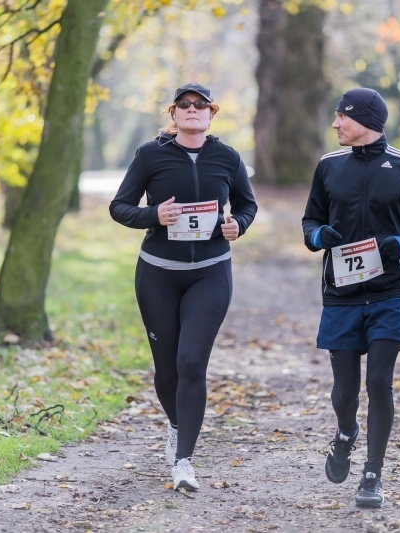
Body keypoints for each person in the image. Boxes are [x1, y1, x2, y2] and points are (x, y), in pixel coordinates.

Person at [301, 87, 400, 508]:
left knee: (379, 382)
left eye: (341, 117)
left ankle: (372, 476)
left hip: (389, 295)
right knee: (345, 393)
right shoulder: (329, 167)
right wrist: (316, 235)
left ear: (364, 120)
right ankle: (346, 431)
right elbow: (311, 217)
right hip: (341, 297)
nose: (335, 124)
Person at [110, 82, 258, 492]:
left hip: (210, 272)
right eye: (184, 105)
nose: (192, 110)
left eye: (200, 105)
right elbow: (119, 207)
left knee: (192, 362)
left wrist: (237, 226)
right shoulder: (150, 155)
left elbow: (246, 205)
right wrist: (154, 215)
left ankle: (184, 460)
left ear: (212, 114)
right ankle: (177, 422)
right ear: (172, 114)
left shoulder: (226, 157)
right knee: (167, 369)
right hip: (158, 272)